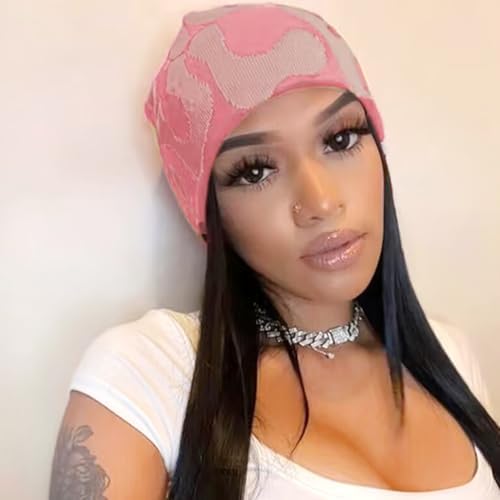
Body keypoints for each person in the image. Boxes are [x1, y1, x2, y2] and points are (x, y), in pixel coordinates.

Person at [49, 3, 500, 499]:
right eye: (256, 171)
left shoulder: (450, 355)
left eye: (341, 139)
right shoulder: (152, 372)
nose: (320, 203)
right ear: (211, 215)